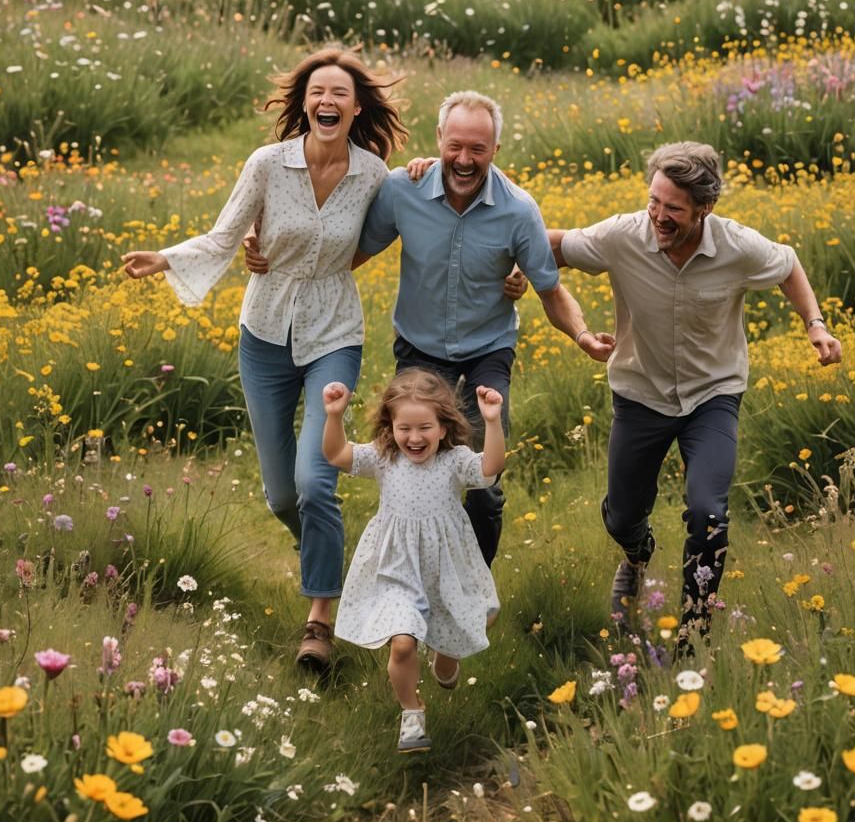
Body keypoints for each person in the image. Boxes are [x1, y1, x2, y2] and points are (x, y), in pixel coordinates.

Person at [121, 47, 409, 673]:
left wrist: (427, 175)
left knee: (315, 481)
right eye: (316, 92)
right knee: (283, 496)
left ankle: (320, 620)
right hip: (265, 335)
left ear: (357, 107)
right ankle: (341, 568)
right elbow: (226, 237)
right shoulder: (266, 164)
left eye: (339, 93)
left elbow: (386, 233)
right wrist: (166, 257)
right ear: (304, 103)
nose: (327, 101)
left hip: (334, 335)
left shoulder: (373, 175)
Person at [248, 90, 613, 567]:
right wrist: (273, 255)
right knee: (411, 469)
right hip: (418, 350)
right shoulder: (404, 190)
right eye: (455, 146)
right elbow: (345, 249)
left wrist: (583, 336)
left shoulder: (519, 211)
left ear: (495, 151)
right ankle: (410, 579)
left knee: (483, 480)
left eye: (477, 150)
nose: (464, 159)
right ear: (439, 138)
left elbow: (550, 289)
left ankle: (472, 590)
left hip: (488, 349)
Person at [549, 141, 842, 647]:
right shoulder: (623, 235)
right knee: (622, 515)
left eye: (674, 208)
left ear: (705, 208)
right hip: (640, 392)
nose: (659, 216)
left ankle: (694, 630)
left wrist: (814, 325)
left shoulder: (738, 247)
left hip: (713, 394)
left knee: (709, 513)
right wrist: (514, 266)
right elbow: (554, 244)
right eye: (654, 201)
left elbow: (789, 265)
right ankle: (638, 554)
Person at [322, 368, 505, 753]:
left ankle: (445, 658)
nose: (415, 438)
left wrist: (491, 422)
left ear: (443, 427)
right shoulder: (384, 458)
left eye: (425, 427)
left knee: (466, 623)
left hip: (446, 568)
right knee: (402, 643)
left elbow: (490, 469)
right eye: (405, 428)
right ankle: (412, 713)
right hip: (396, 570)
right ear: (391, 426)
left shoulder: (454, 461)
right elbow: (337, 454)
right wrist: (334, 415)